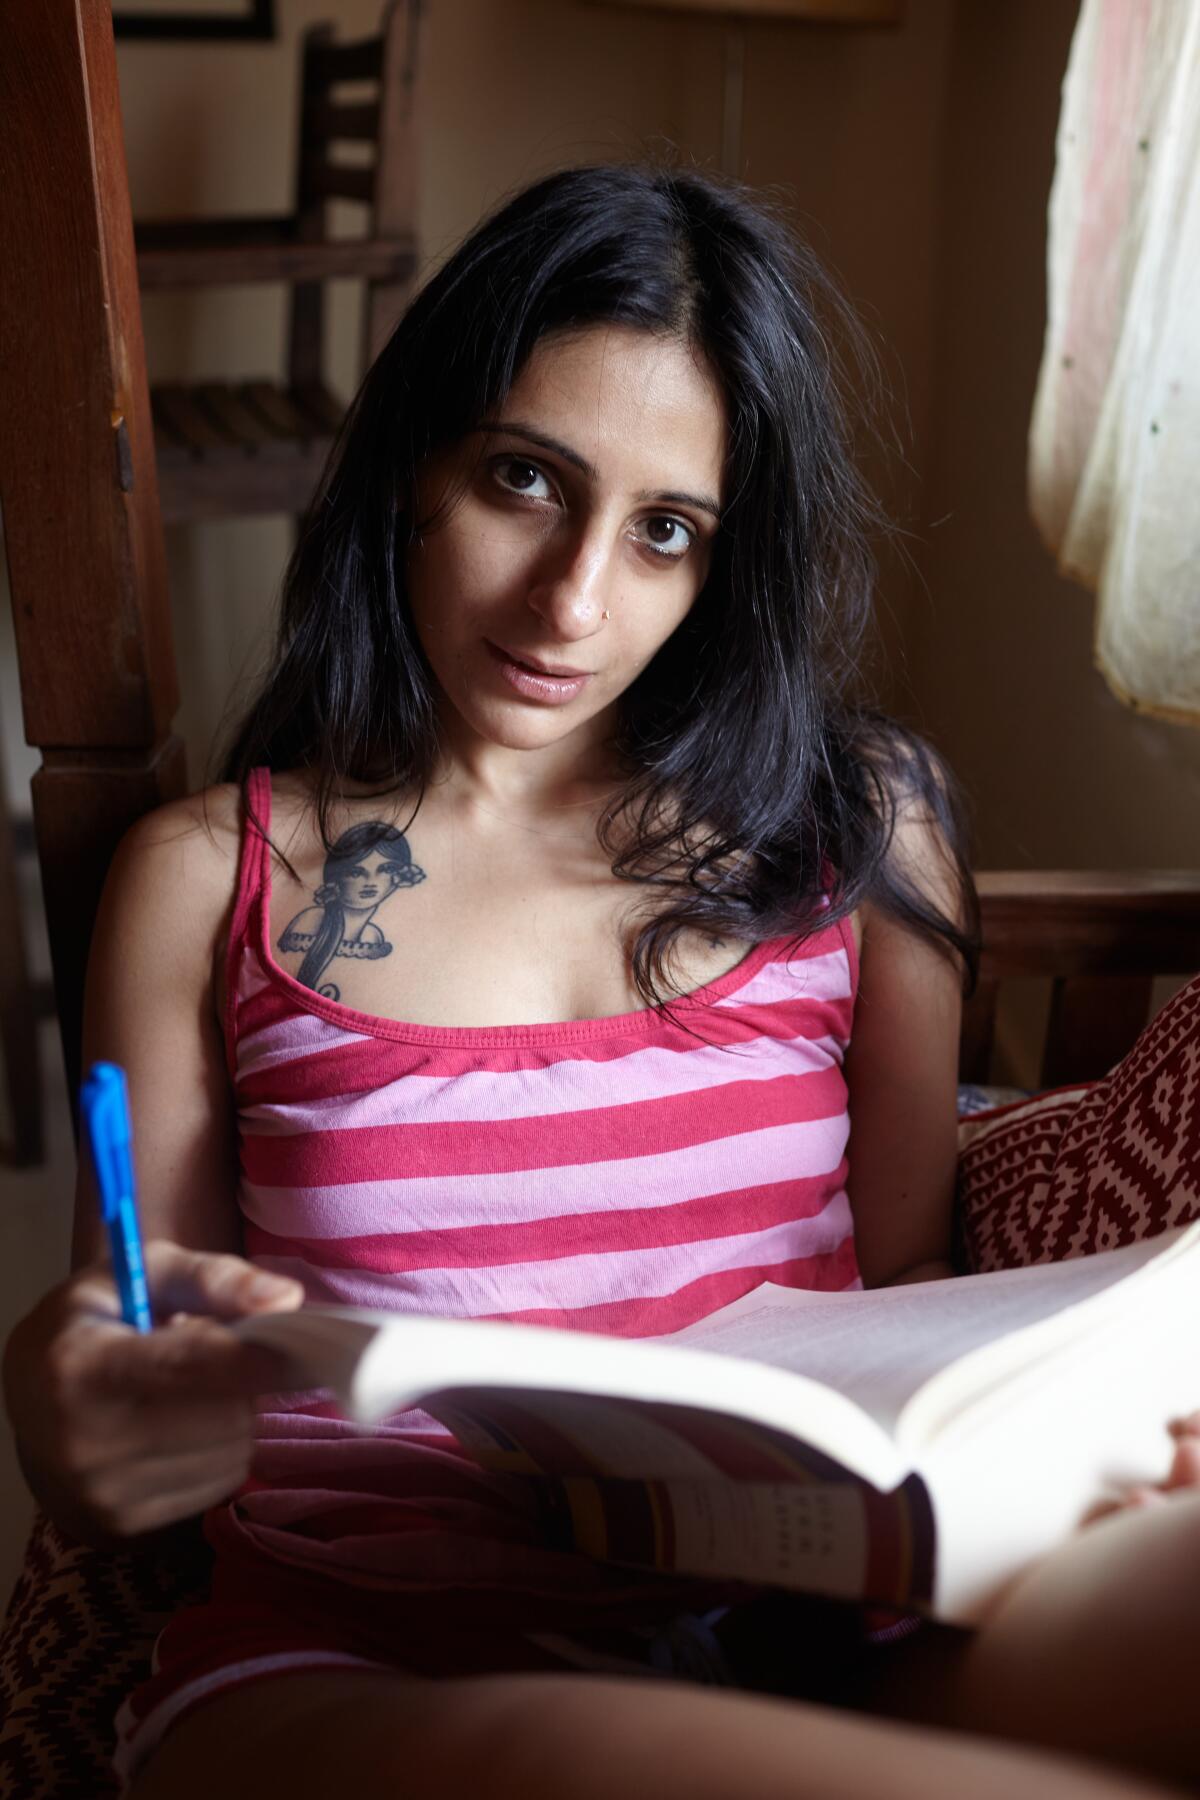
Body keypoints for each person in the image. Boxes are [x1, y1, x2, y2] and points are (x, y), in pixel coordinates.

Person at [3, 164, 1198, 1800]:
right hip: (367, 1670)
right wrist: (72, 1414)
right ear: (416, 467)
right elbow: (146, 1366)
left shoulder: (860, 827)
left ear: (729, 562)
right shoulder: (212, 879)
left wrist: (1073, 1452)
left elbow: (918, 1299)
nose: (572, 601)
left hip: (817, 1620)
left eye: (665, 532)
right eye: (523, 479)